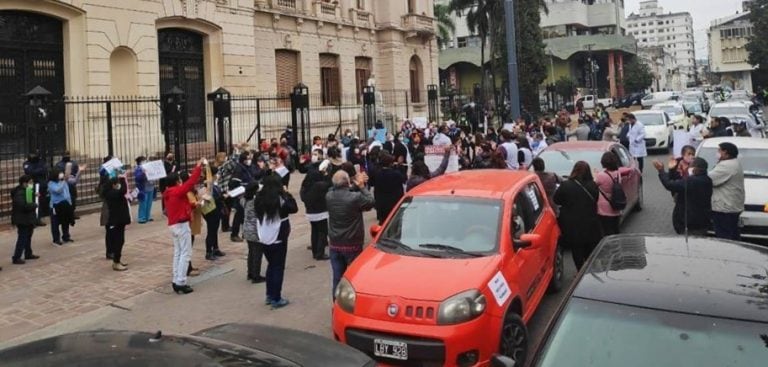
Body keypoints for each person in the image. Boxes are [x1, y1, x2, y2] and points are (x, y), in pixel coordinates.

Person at [251, 174, 298, 308]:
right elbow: (294, 208)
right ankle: (276, 298)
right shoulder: (280, 199)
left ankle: (269, 294)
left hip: (264, 236)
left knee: (271, 265)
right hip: (278, 236)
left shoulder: (259, 198)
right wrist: (287, 193)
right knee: (278, 267)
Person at [326, 170, 375, 297]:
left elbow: (340, 190)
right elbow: (370, 201)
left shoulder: (329, 196)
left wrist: (354, 184)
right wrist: (362, 187)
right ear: (347, 182)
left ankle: (336, 303)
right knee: (354, 277)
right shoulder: (355, 198)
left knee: (337, 277)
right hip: (352, 242)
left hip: (335, 243)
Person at [164, 158, 205, 295]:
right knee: (185, 253)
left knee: (178, 253)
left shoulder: (169, 193)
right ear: (177, 181)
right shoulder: (177, 191)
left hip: (174, 224)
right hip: (181, 225)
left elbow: (183, 204)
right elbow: (191, 182)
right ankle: (181, 281)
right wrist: (198, 167)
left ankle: (176, 279)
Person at [554, 161, 602, 270]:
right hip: (590, 222)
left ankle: (580, 270)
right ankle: (590, 269)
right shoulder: (593, 185)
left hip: (572, 224)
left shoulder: (566, 185)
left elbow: (556, 200)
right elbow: (596, 199)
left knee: (577, 248)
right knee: (590, 248)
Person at [654, 157, 713, 236]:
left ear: (696, 168)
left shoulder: (693, 181)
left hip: (691, 224)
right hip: (701, 221)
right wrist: (672, 170)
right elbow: (678, 181)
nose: (688, 167)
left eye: (690, 166)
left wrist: (661, 171)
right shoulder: (706, 179)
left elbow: (670, 184)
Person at [708, 142, 745, 240]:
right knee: (733, 234)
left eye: (719, 150)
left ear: (726, 152)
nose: (717, 153)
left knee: (724, 236)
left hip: (724, 208)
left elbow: (709, 180)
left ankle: (727, 254)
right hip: (731, 206)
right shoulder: (734, 162)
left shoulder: (726, 166)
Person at [300, 160, 333, 260]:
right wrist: (326, 174)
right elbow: (329, 183)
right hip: (320, 212)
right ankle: (320, 253)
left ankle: (315, 251)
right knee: (322, 232)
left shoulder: (305, 187)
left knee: (314, 231)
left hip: (310, 212)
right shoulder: (319, 185)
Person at [595, 152, 631, 236]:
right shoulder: (617, 173)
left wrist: (595, 174)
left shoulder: (601, 175)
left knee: (606, 231)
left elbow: (595, 184)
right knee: (615, 230)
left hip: (604, 208)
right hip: (615, 206)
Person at [10, 175, 39, 265]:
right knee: (22, 238)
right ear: (24, 183)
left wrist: (35, 196)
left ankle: (28, 253)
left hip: (28, 219)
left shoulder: (27, 191)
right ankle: (16, 257)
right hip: (22, 220)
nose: (31, 184)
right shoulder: (19, 193)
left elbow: (28, 201)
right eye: (30, 182)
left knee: (28, 237)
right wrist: (34, 205)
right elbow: (24, 206)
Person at [370, 152, 406, 224]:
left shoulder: (377, 174)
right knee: (395, 223)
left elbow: (372, 183)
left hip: (381, 203)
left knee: (383, 223)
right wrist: (400, 167)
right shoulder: (396, 174)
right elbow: (404, 179)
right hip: (394, 203)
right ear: (391, 163)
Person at [104, 175, 131, 271]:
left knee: (120, 241)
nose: (119, 185)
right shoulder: (111, 193)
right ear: (113, 185)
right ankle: (116, 262)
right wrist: (123, 179)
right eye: (117, 184)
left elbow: (122, 193)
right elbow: (123, 190)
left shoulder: (115, 193)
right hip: (116, 221)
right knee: (118, 241)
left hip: (120, 220)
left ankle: (117, 260)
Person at [48, 167, 74, 246]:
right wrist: (64, 181)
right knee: (55, 223)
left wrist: (80, 171)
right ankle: (56, 239)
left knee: (65, 221)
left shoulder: (63, 181)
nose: (61, 174)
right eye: (60, 173)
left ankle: (66, 236)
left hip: (65, 205)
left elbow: (74, 181)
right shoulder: (51, 183)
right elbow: (58, 190)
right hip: (55, 205)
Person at [55, 151, 84, 218]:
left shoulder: (73, 163)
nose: (67, 156)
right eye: (65, 155)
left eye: (68, 155)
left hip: (71, 183)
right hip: (63, 183)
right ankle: (65, 214)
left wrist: (73, 176)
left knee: (72, 198)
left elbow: (76, 172)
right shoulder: (59, 164)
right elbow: (57, 173)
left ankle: (72, 213)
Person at [23, 152, 48, 226]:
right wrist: (38, 170)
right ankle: (31, 219)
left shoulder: (41, 162)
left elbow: (44, 170)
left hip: (41, 184)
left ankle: (38, 218)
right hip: (30, 184)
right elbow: (29, 172)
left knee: (39, 201)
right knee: (30, 200)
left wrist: (35, 171)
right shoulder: (26, 163)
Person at [134, 156, 155, 224]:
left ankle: (147, 216)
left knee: (149, 203)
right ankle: (141, 218)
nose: (146, 161)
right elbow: (138, 178)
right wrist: (143, 173)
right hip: (143, 188)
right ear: (140, 162)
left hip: (150, 187)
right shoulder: (138, 169)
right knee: (143, 203)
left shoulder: (148, 167)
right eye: (144, 160)